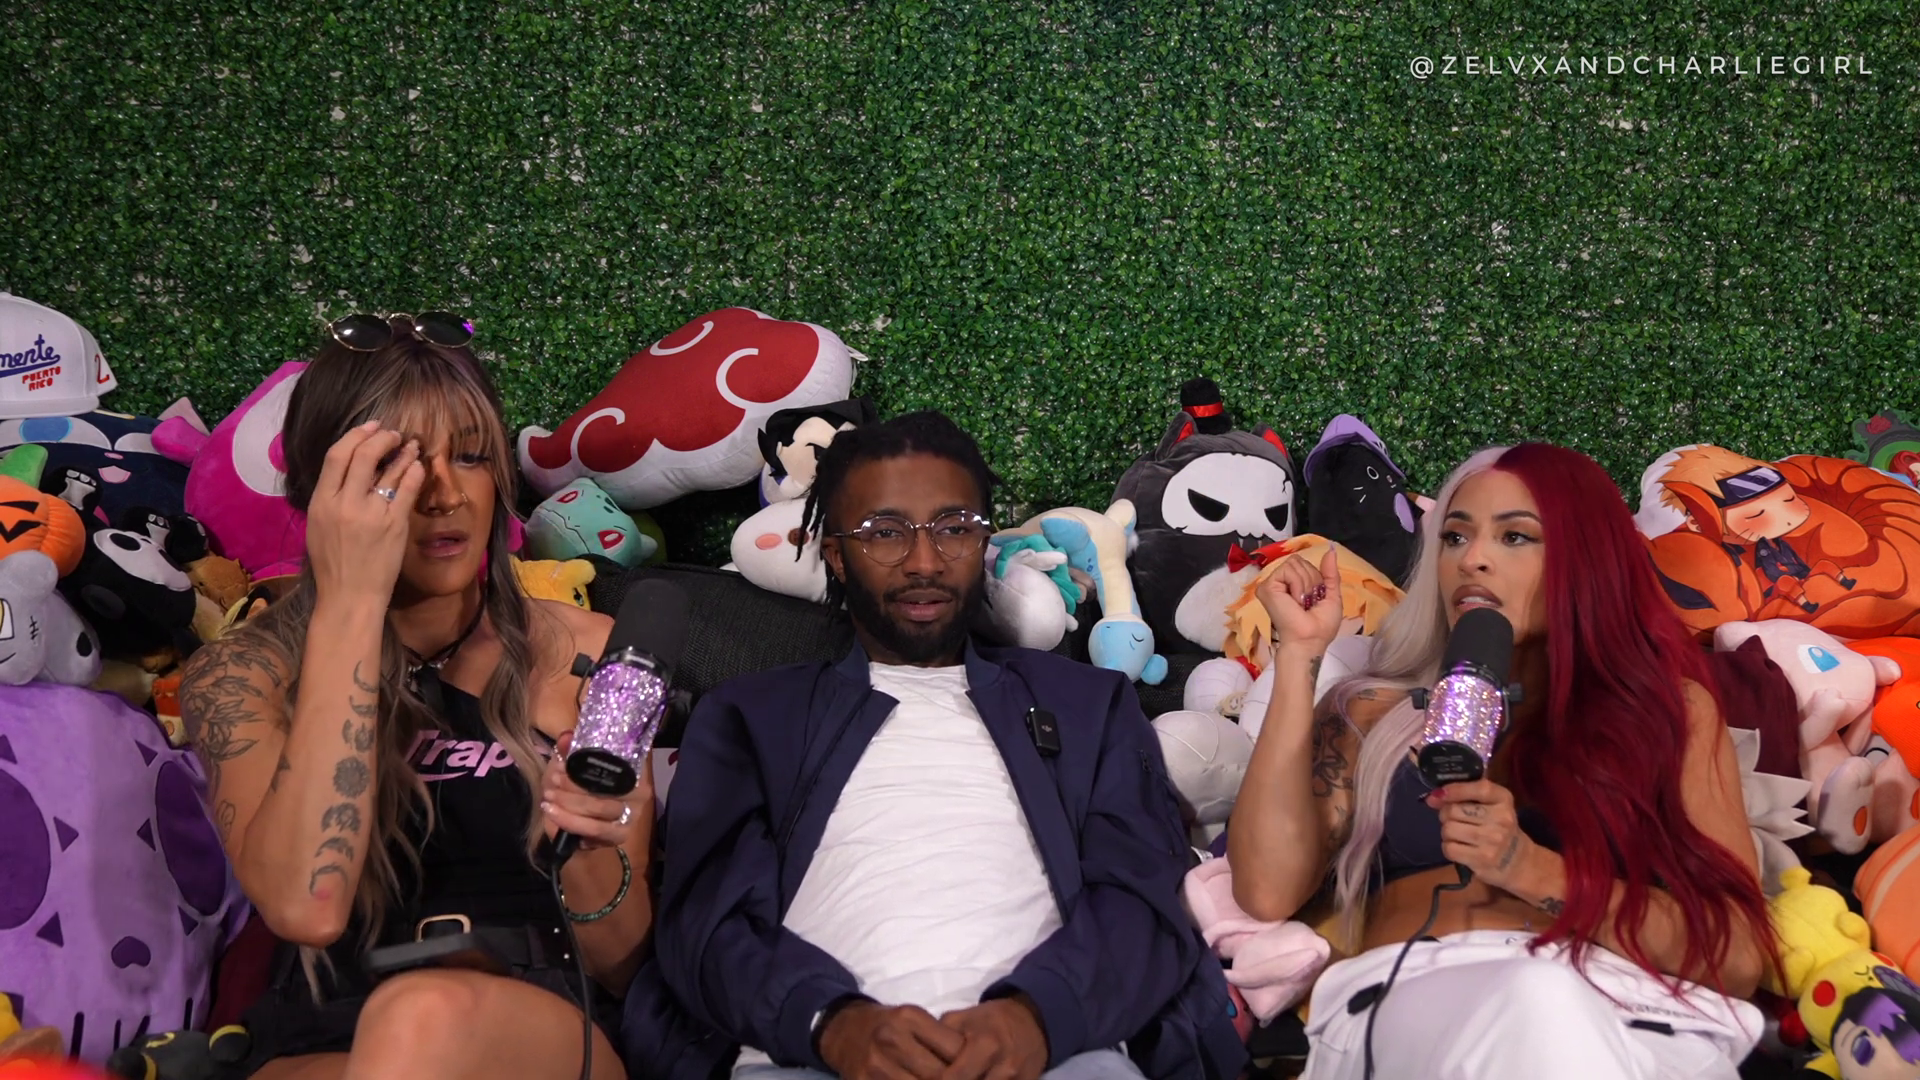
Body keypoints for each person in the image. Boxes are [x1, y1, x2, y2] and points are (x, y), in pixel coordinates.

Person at [621, 411, 1245, 1080]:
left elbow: (1142, 896)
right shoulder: (751, 715)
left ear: (984, 541)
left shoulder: (1087, 704)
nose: (924, 562)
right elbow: (707, 921)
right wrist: (828, 1023)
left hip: (1061, 1053)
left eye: (954, 527)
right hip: (807, 1056)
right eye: (884, 532)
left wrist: (1039, 1017)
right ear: (835, 553)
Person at [180, 313, 648, 1079]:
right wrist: (351, 605)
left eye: (470, 455)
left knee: (418, 1017)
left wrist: (588, 844)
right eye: (394, 467)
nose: (444, 495)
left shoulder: (585, 654)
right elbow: (304, 907)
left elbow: (622, 963)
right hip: (320, 1032)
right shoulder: (242, 674)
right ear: (322, 490)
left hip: (542, 1023)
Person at [1227, 442, 1777, 1080]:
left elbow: (1738, 956)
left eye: (1515, 537)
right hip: (1414, 1003)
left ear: (1586, 560)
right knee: (1536, 1000)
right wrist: (1299, 653)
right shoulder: (1372, 711)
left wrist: (1527, 866)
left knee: (1546, 1000)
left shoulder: (1670, 715)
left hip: (1621, 1006)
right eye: (1455, 537)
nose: (1472, 560)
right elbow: (1265, 891)